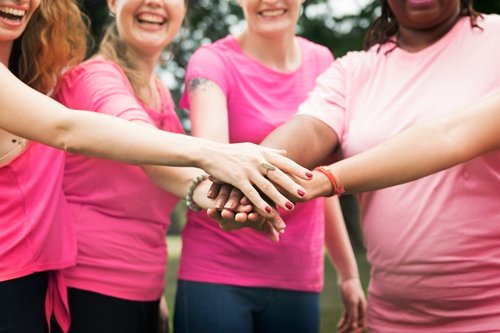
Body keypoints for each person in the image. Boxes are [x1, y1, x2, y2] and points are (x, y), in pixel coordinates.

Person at [0, 1, 311, 332]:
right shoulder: (94, 77)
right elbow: (102, 135)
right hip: (86, 290)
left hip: (128, 289)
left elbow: (167, 176)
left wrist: (228, 199)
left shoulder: (159, 91)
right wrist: (216, 157)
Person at [254, 0, 500, 331]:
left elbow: (450, 137)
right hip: (391, 317)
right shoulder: (355, 69)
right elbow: (311, 127)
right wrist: (252, 172)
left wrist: (327, 179)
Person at [174, 1, 366, 332]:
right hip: (217, 271)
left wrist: (348, 273)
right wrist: (232, 209)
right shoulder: (212, 62)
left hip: (298, 275)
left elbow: (316, 180)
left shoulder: (322, 61)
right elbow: (213, 160)